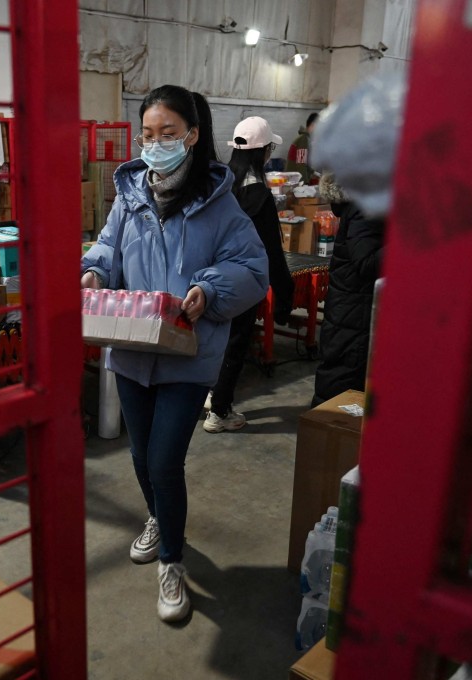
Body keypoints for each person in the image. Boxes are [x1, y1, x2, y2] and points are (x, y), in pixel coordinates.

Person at [80, 85, 268, 622]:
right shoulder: (131, 193)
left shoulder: (220, 201)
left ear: (192, 135)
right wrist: (94, 270)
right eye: (148, 135)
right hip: (134, 346)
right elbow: (109, 247)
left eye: (167, 134)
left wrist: (208, 290)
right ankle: (158, 517)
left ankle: (172, 560)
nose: (155, 144)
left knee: (164, 459)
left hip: (187, 352)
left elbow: (251, 269)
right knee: (141, 459)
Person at [204, 116, 295, 433]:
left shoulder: (218, 186)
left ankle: (210, 392)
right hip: (242, 283)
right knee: (235, 343)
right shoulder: (259, 196)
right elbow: (272, 252)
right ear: (264, 152)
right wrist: (285, 294)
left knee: (213, 340)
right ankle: (220, 411)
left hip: (208, 278)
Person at [311, 173, 385, 406]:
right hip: (355, 317)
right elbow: (367, 262)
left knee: (339, 394)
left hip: (351, 313)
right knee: (340, 398)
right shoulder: (367, 208)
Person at [285, 112, 319, 183]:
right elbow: (301, 164)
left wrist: (314, 172)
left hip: (295, 180)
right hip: (294, 181)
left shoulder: (305, 138)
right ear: (313, 125)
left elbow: (304, 162)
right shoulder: (303, 139)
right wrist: (305, 183)